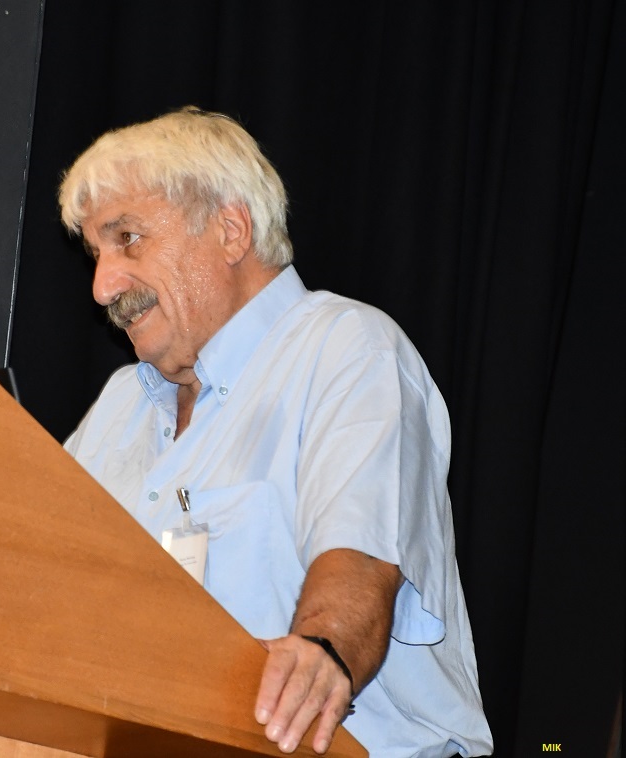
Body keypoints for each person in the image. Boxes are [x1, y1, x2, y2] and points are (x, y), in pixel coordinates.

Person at [59, 107, 493, 757]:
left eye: (128, 239)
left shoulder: (345, 347)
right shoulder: (121, 406)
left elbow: (360, 552)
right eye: (97, 253)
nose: (102, 286)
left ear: (230, 229)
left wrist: (322, 648)